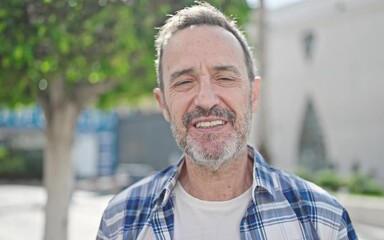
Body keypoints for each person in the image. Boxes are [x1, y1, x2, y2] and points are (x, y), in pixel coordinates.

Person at [97, 2, 357, 240]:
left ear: (253, 96)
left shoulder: (323, 220)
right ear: (163, 104)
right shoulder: (121, 221)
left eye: (225, 78)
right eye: (185, 82)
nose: (206, 100)